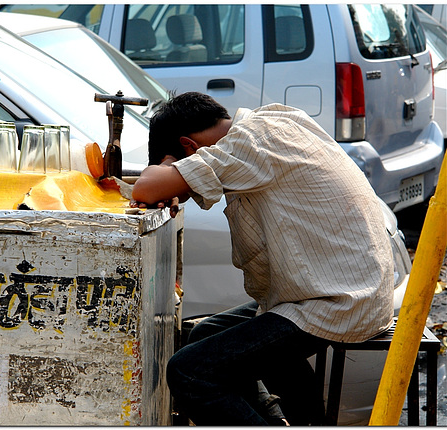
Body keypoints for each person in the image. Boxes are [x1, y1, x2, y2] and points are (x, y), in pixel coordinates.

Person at [131, 92, 394, 425]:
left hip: (339, 301)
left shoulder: (248, 141)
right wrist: (170, 178)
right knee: (204, 336)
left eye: (179, 161)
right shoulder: (275, 120)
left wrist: (167, 171)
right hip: (345, 289)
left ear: (189, 147)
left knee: (189, 372)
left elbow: (145, 188)